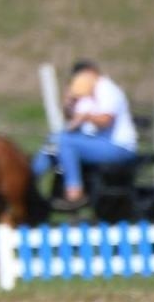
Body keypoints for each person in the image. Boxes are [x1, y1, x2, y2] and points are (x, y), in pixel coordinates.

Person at [31, 60, 138, 211]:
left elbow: (106, 120)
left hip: (118, 147)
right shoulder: (86, 95)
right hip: (94, 143)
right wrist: (69, 101)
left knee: (65, 142)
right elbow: (72, 119)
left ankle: (74, 191)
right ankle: (29, 180)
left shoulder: (107, 89)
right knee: (53, 139)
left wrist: (86, 117)